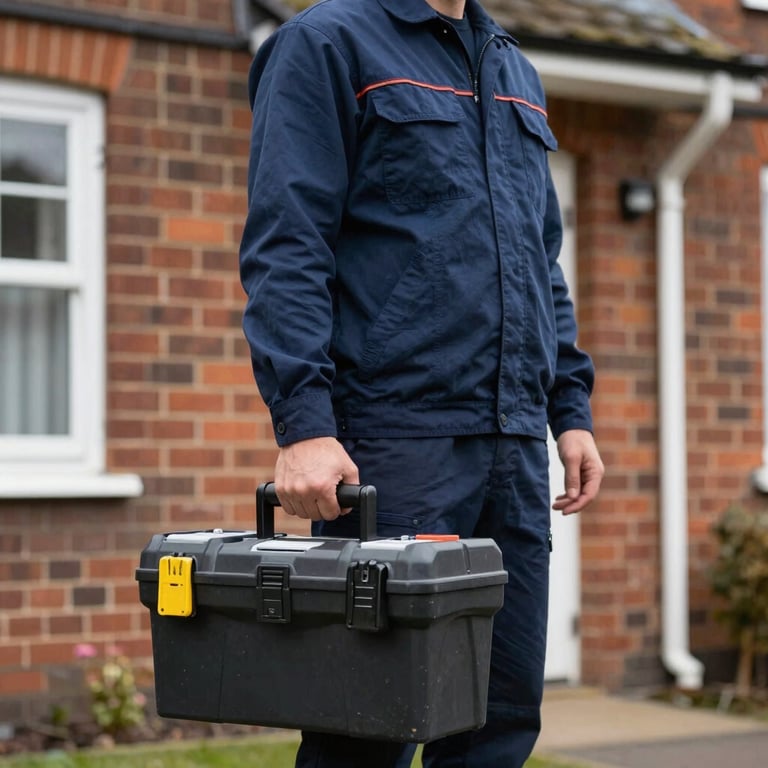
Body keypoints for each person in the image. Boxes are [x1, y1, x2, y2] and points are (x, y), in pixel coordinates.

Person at [239, 0, 604, 765]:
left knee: (497, 720)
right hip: (395, 442)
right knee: (367, 724)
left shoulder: (512, 67)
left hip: (510, 443)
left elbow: (541, 262)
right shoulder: (327, 43)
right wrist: (305, 425)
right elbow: (289, 243)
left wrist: (568, 409)